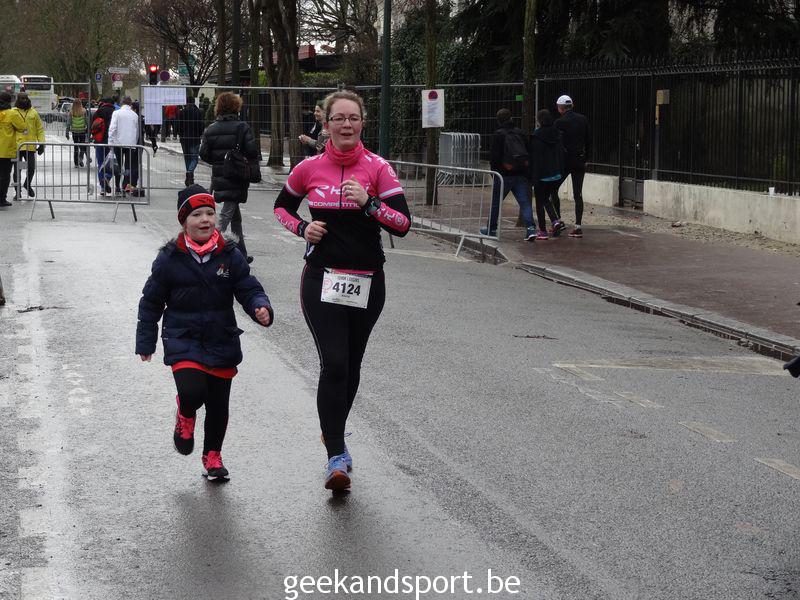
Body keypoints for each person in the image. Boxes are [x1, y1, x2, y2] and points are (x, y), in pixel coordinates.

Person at [273, 90, 411, 492]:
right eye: (339, 118)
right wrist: (302, 228)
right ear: (327, 124)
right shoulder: (309, 167)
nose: (346, 125)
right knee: (333, 364)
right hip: (322, 278)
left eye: (353, 118)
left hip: (367, 281)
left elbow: (403, 224)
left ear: (363, 122)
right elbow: (281, 207)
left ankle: (332, 428)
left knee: (351, 365)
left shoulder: (378, 168)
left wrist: (370, 203)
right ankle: (336, 454)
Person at [135, 184, 273, 481]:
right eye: (197, 214)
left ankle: (213, 457)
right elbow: (151, 301)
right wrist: (146, 340)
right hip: (182, 336)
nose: (205, 220)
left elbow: (248, 288)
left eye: (210, 213)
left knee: (218, 404)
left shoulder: (229, 254)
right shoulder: (169, 258)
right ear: (184, 221)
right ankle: (185, 414)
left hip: (221, 337)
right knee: (192, 392)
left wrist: (260, 307)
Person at [199, 92, 260, 264]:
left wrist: (219, 161)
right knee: (226, 215)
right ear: (236, 106)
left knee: (234, 216)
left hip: (220, 175)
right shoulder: (242, 127)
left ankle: (240, 253)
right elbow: (252, 151)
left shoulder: (211, 129)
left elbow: (204, 153)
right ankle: (206, 247)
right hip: (237, 175)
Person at [482, 108, 537, 241]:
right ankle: (530, 228)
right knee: (524, 203)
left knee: (496, 203)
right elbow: (529, 152)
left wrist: (495, 173)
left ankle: (491, 229)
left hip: (503, 175)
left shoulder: (498, 135)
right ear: (511, 118)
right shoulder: (520, 133)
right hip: (520, 173)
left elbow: (494, 157)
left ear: (499, 121)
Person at [554, 94, 591, 238]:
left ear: (561, 108)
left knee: (553, 189)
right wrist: (587, 158)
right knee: (578, 194)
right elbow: (588, 140)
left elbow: (557, 143)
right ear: (572, 105)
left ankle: (558, 220)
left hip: (565, 161)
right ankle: (578, 226)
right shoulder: (583, 119)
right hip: (579, 159)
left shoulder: (559, 122)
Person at [530, 109, 566, 240]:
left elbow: (535, 156)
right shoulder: (557, 134)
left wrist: (533, 175)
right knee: (546, 199)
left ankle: (543, 231)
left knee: (540, 201)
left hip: (542, 174)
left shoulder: (536, 135)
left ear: (539, 120)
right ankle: (555, 221)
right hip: (555, 173)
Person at [12, 93, 45, 200]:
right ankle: (17, 192)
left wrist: (42, 144)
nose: (24, 100)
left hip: (30, 146)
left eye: (26, 98)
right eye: (22, 98)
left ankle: (27, 184)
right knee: (17, 170)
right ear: (18, 99)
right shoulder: (13, 112)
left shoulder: (33, 112)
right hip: (17, 146)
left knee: (31, 168)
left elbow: (39, 129)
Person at [108, 97, 141, 195]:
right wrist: (134, 142)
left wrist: (110, 142)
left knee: (118, 165)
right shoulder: (135, 115)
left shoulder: (116, 113)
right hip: (130, 143)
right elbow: (137, 131)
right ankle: (125, 185)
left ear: (121, 103)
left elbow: (112, 128)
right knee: (128, 166)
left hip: (118, 143)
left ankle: (117, 186)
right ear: (130, 104)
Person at [0, 91, 28, 207]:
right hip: (6, 150)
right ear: (9, 101)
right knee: (5, 175)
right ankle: (1, 199)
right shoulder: (12, 114)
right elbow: (22, 127)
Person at [90, 97, 118, 195]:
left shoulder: (98, 112)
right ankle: (107, 177)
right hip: (111, 141)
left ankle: (102, 187)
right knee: (112, 162)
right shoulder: (115, 112)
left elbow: (92, 126)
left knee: (101, 163)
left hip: (99, 141)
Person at [176, 96, 204, 187]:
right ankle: (190, 172)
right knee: (194, 158)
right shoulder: (198, 112)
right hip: (195, 138)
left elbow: (178, 125)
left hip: (184, 138)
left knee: (187, 157)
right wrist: (200, 134)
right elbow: (201, 125)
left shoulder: (182, 112)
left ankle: (189, 176)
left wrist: (180, 134)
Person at [66, 100, 89, 167]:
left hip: (74, 131)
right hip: (82, 131)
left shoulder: (71, 112)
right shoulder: (84, 111)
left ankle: (76, 163)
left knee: (75, 147)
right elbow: (86, 121)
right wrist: (88, 129)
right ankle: (80, 159)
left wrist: (67, 132)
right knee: (82, 146)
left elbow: (68, 123)